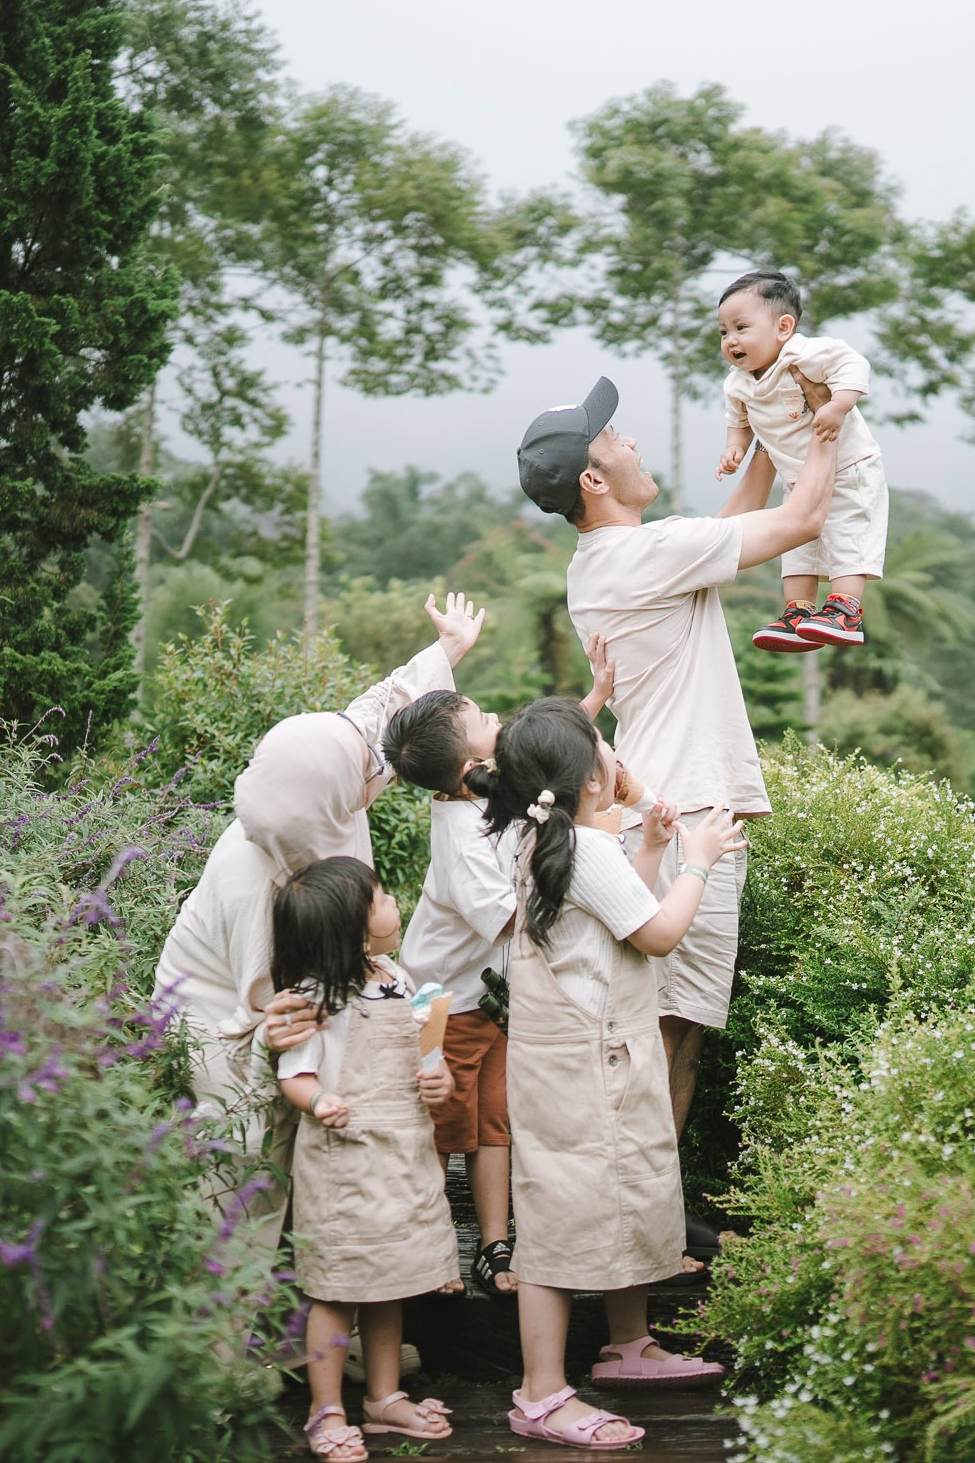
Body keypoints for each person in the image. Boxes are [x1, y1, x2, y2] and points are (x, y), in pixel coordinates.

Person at [515, 375, 837, 1158]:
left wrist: (763, 431)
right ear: (594, 479)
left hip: (658, 804)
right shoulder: (647, 554)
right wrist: (825, 429)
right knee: (672, 1028)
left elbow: (719, 534)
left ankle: (633, 1198)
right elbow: (803, 519)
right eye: (613, 438)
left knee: (659, 1021)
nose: (630, 442)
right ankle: (637, 1204)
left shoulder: (605, 562)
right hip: (684, 814)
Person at [154, 593, 486, 1261]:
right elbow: (265, 1007)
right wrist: (291, 1043)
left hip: (301, 995)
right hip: (218, 1008)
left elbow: (378, 719)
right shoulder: (261, 883)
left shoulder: (326, 772)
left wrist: (446, 651)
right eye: (366, 769)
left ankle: (331, 1311)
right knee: (252, 1160)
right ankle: (233, 1335)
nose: (375, 770)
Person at [482, 698, 747, 1450]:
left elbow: (614, 911)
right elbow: (659, 933)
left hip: (587, 1058)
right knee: (561, 1221)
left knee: (627, 1185)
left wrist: (655, 851)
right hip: (585, 1067)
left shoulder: (550, 837)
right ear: (589, 777)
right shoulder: (584, 849)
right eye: (603, 745)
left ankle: (628, 1344)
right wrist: (699, 860)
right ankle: (540, 1392)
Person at [379, 641, 616, 1300]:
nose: (497, 719)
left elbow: (542, 755)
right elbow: (508, 917)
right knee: (442, 1129)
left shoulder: (485, 788)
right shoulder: (457, 835)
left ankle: (493, 1241)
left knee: (492, 1123)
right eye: (483, 715)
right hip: (442, 1007)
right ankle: (420, 1249)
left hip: (485, 1001)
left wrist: (591, 702)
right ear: (471, 759)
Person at [271, 857, 458, 1460]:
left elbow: (427, 1061)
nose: (392, 903)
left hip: (401, 1153)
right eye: (380, 897)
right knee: (336, 1287)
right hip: (344, 1162)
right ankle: (326, 1408)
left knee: (390, 1280)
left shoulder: (398, 979)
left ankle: (382, 1398)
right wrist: (319, 1098)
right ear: (353, 925)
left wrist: (441, 1082)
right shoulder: (315, 1000)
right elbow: (295, 1075)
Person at [714, 269, 889, 654]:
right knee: (796, 544)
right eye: (724, 332)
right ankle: (798, 612)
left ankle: (845, 608)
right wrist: (734, 450)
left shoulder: (805, 353)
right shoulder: (737, 383)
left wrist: (839, 405)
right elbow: (738, 424)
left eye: (741, 327)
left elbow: (854, 366)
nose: (731, 340)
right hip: (798, 476)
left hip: (849, 467)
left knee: (845, 530)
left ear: (784, 327)